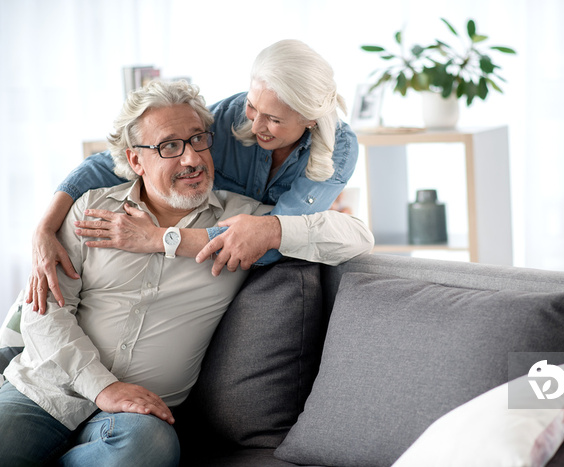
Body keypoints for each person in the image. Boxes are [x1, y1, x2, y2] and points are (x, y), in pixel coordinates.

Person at [0, 79, 373, 466]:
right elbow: (44, 314)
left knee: (148, 450)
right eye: (169, 147)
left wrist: (272, 229)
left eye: (198, 140)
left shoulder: (240, 222)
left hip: (136, 419)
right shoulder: (91, 211)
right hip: (43, 392)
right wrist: (104, 388)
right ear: (135, 161)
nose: (192, 159)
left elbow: (357, 237)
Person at [29, 39, 359, 313]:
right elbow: (114, 161)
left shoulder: (338, 150)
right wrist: (43, 229)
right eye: (252, 107)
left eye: (272, 119)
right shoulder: (230, 115)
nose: (255, 125)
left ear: (310, 119)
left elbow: (274, 237)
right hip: (194, 248)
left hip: (218, 269)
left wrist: (158, 239)